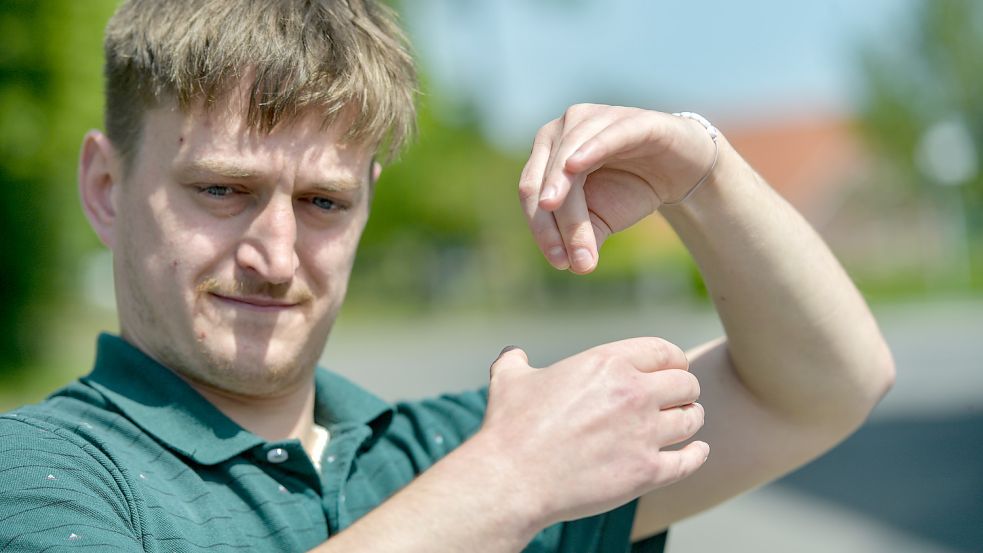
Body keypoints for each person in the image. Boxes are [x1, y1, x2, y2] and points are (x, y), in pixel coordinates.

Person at [0, 0, 895, 551]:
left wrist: (701, 176)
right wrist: (506, 488)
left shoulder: (454, 448)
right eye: (222, 189)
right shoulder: (45, 473)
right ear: (107, 187)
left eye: (322, 202)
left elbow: (820, 387)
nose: (274, 256)